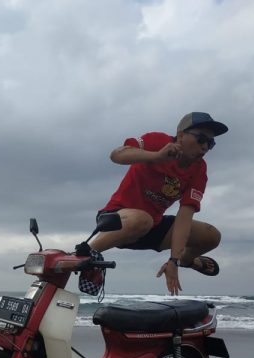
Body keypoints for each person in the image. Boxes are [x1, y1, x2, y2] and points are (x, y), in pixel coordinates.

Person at [89, 112, 228, 296]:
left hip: (152, 227)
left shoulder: (199, 170)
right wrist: (156, 156)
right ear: (180, 135)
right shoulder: (158, 141)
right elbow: (116, 155)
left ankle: (188, 260)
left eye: (210, 143)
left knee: (211, 236)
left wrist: (174, 260)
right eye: (201, 139)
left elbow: (185, 216)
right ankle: (85, 254)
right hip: (117, 220)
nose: (205, 147)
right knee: (142, 219)